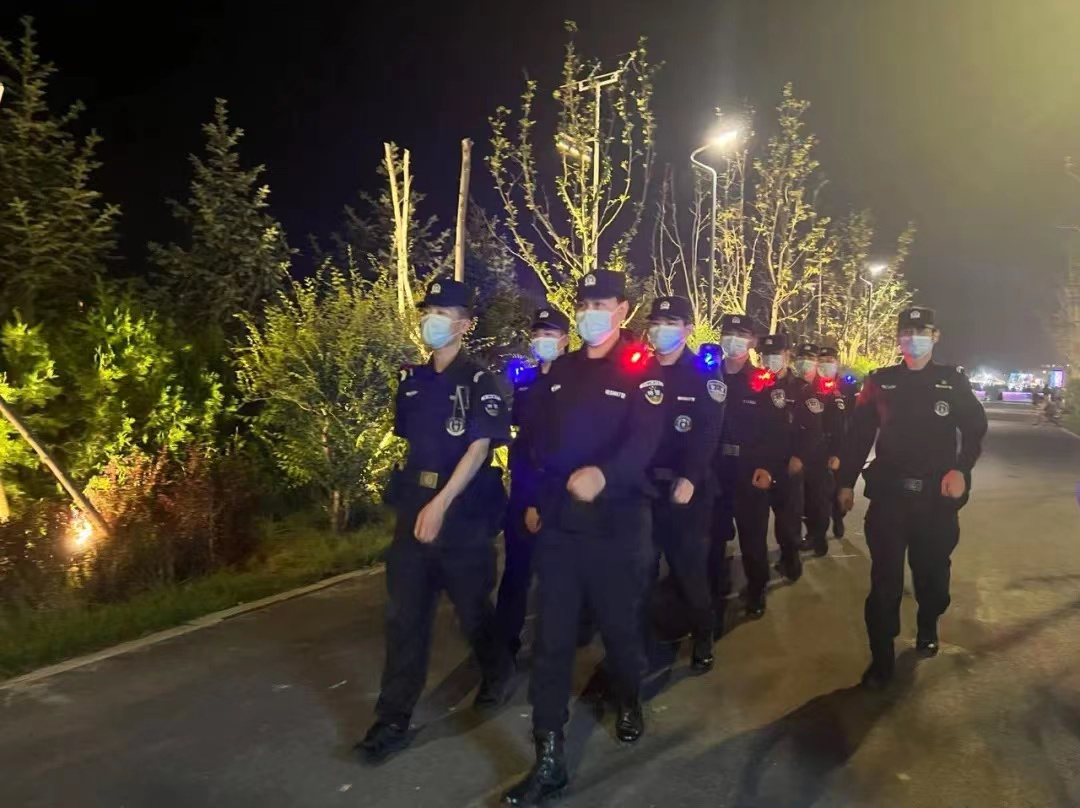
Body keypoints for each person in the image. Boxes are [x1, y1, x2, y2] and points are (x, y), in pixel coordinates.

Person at [502, 270, 665, 807]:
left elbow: (644, 442)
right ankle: (549, 758)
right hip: (561, 527)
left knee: (619, 629)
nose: (590, 313)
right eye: (584, 304)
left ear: (622, 309)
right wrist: (531, 498)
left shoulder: (642, 372)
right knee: (552, 640)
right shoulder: (561, 372)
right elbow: (534, 443)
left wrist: (605, 475)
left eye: (602, 303)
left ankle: (628, 697)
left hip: (616, 526)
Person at [359, 276, 514, 764]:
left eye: (444, 314)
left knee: (471, 610)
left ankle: (497, 669)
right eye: (429, 311)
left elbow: (480, 447)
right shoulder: (412, 380)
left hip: (462, 513)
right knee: (405, 616)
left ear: (465, 325)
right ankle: (392, 719)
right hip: (414, 507)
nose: (433, 321)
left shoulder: (480, 380)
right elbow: (412, 441)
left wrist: (441, 503)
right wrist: (420, 503)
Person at [838, 306, 988, 689]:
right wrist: (844, 483)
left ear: (935, 336)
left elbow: (974, 428)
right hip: (890, 499)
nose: (913, 338)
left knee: (932, 577)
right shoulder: (880, 382)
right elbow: (858, 436)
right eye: (907, 332)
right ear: (899, 338)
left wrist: (961, 470)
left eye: (921, 332)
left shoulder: (951, 381)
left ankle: (928, 621)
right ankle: (882, 657)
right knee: (884, 581)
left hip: (935, 502)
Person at [643, 295, 726, 672]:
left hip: (686, 491)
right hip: (643, 488)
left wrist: (690, 477)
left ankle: (704, 635)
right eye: (656, 323)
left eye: (671, 323)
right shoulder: (640, 370)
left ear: (688, 329)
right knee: (641, 569)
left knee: (688, 570)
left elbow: (708, 432)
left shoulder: (704, 373)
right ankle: (644, 637)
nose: (661, 330)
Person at [495, 306, 570, 662]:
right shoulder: (524, 380)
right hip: (524, 485)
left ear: (565, 340)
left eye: (549, 334)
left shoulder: (578, 382)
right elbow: (520, 433)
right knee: (516, 571)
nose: (542, 340)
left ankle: (556, 647)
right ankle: (503, 647)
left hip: (559, 493)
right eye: (538, 334)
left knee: (558, 576)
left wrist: (541, 500)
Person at [709, 316, 791, 622]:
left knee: (752, 538)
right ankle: (715, 588)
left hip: (749, 471)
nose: (734, 339)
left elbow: (777, 433)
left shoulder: (763, 381)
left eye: (741, 334)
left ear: (753, 342)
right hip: (714, 470)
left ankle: (756, 590)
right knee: (713, 536)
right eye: (728, 333)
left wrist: (767, 468)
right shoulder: (708, 376)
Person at [757, 334, 804, 583]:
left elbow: (811, 428)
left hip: (788, 464)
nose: (770, 359)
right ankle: (758, 577)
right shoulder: (755, 383)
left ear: (787, 355)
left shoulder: (800, 388)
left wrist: (799, 456)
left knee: (788, 522)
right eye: (765, 355)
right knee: (756, 524)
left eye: (775, 354)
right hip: (760, 463)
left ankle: (791, 562)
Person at [790, 342, 843, 557]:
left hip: (820, 454)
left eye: (811, 358)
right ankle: (809, 535)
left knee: (818, 500)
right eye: (801, 357)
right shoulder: (791, 385)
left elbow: (838, 425)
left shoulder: (826, 388)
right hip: (794, 452)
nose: (806, 362)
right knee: (801, 502)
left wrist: (836, 453)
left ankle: (819, 537)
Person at [831, 369, 859, 538]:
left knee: (838, 485)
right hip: (820, 444)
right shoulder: (811, 385)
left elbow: (857, 414)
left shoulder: (847, 386)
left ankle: (838, 517)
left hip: (842, 443)